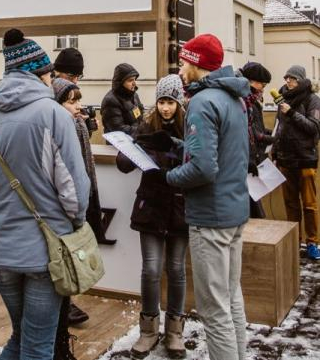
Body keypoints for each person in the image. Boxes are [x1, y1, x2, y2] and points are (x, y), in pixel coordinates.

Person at [0, 29, 90, 360]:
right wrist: (75, 223)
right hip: (44, 251)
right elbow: (74, 193)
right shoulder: (54, 116)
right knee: (37, 344)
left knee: (21, 336)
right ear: (41, 73)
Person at [165, 34, 250, 360]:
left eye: (185, 61)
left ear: (197, 64)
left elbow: (203, 169)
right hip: (233, 211)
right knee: (231, 300)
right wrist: (178, 146)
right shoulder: (234, 99)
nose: (181, 67)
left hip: (210, 217)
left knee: (214, 311)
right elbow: (228, 153)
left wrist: (168, 176)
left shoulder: (202, 101)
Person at [117, 74, 187, 359]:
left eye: (170, 101)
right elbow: (123, 163)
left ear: (179, 103)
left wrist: (172, 151)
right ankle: (148, 331)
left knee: (177, 270)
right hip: (151, 206)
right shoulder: (145, 125)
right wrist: (136, 148)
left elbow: (199, 161)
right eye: (161, 101)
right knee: (151, 270)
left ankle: (175, 331)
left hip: (180, 208)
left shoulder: (190, 127)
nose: (166, 107)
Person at [51, 78, 100, 337]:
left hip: (72, 207)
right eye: (73, 102)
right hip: (62, 212)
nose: (78, 106)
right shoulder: (60, 129)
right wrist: (78, 209)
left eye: (79, 100)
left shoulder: (76, 125)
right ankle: (58, 333)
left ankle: (61, 323)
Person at [273, 65, 320, 260]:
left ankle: (313, 243)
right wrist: (275, 153)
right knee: (290, 204)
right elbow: (278, 129)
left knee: (309, 205)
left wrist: (291, 113)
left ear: (300, 80)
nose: (288, 82)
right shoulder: (281, 99)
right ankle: (294, 239)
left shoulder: (312, 99)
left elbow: (314, 127)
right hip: (285, 160)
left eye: (292, 78)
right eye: (286, 78)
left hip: (306, 160)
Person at [238, 62, 274, 219]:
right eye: (262, 84)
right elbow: (248, 131)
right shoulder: (243, 101)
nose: (262, 89)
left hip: (252, 162)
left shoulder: (252, 102)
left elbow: (255, 129)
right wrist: (267, 137)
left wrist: (268, 134)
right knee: (254, 214)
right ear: (252, 81)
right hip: (245, 164)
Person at [101, 63, 145, 137]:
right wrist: (142, 131)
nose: (134, 83)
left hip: (135, 140)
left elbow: (141, 114)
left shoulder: (134, 95)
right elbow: (118, 129)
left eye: (135, 79)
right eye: (130, 80)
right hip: (118, 145)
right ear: (120, 83)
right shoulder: (111, 101)